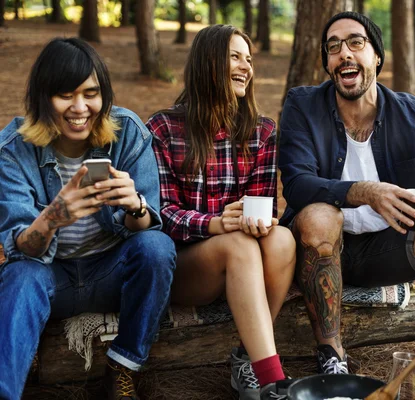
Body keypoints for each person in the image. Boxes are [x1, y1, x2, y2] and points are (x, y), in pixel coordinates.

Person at [278, 11, 415, 388]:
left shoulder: (412, 114)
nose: (343, 53)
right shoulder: (303, 105)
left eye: (355, 43)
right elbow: (296, 185)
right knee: (318, 216)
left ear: (376, 56)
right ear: (328, 64)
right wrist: (363, 192)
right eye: (333, 47)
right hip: (322, 251)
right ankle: (332, 354)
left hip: (393, 252)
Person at [0, 38, 176, 400]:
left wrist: (136, 207)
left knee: (157, 247)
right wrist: (51, 218)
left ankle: (122, 368)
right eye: (65, 95)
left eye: (90, 94)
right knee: (20, 274)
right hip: (51, 277)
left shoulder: (127, 132)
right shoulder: (13, 149)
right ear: (42, 98)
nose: (80, 108)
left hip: (111, 271)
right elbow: (20, 248)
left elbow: (148, 230)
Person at [147, 25, 296, 400]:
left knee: (281, 239)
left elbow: (265, 205)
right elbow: (158, 214)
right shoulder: (163, 128)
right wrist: (214, 224)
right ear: (206, 62)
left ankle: (248, 359)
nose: (245, 66)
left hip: (246, 263)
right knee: (237, 246)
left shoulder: (261, 131)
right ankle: (273, 382)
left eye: (249, 59)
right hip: (187, 267)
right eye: (234, 56)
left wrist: (258, 222)